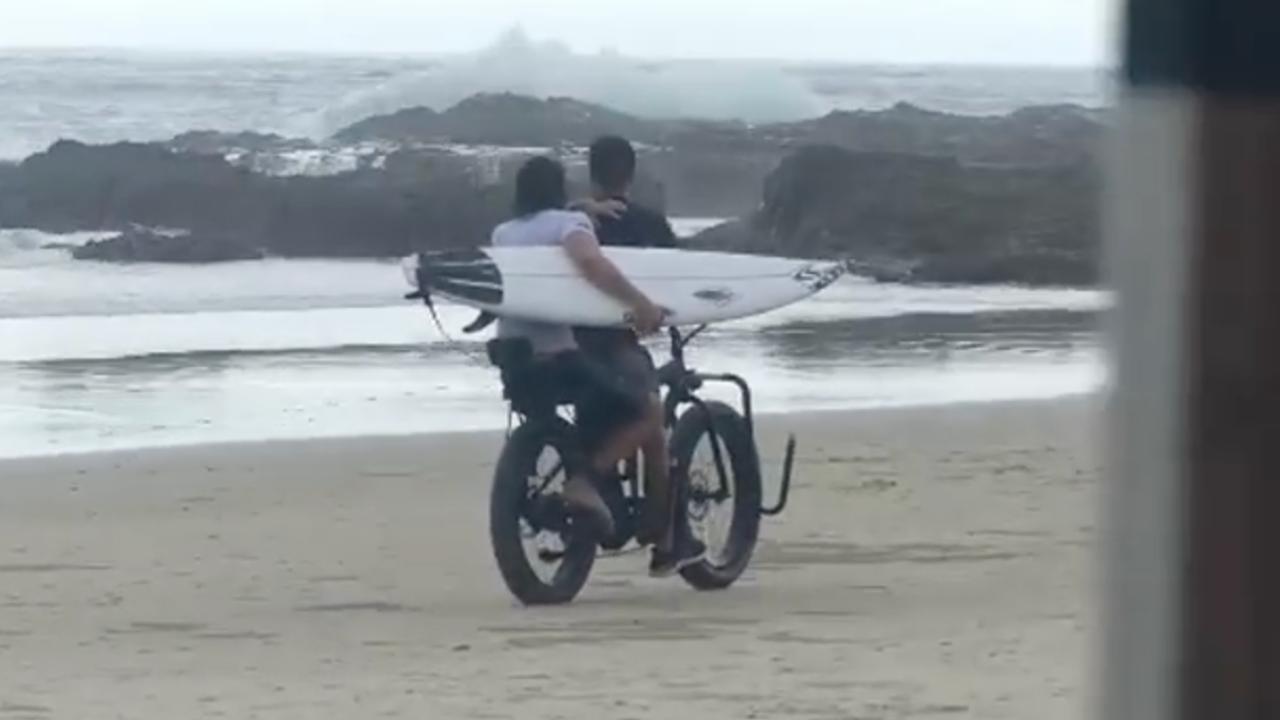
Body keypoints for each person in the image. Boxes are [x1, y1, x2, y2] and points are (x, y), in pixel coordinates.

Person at [491, 156, 664, 540]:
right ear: (561, 189)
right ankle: (586, 480)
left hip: (514, 358)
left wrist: (581, 208)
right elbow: (591, 262)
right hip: (560, 360)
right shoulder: (571, 224)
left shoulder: (504, 233)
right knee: (648, 414)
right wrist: (640, 304)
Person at [573, 135, 706, 577]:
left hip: (567, 343)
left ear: (592, 173)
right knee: (652, 417)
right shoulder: (648, 223)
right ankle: (665, 539)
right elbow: (677, 279)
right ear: (630, 174)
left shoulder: (570, 222)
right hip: (615, 346)